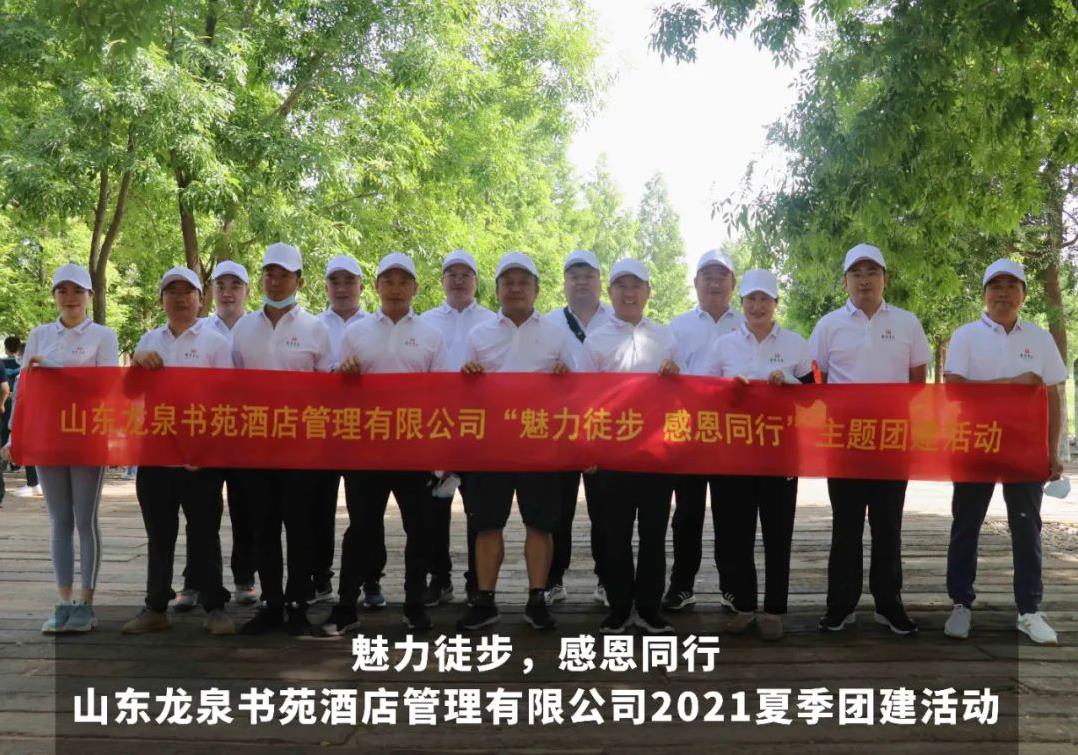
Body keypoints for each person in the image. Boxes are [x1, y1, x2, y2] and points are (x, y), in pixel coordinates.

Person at [315, 252, 449, 636]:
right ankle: (346, 606)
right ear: (375, 287)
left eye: (403, 281)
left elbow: (442, 395)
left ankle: (414, 604)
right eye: (387, 281)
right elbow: (338, 393)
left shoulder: (431, 335)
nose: (395, 288)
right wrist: (344, 375)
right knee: (361, 528)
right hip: (366, 449)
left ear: (415, 288)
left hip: (414, 449)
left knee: (419, 529)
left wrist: (438, 453)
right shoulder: (356, 334)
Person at [942, 258, 1067, 645]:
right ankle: (961, 603)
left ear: (1024, 295)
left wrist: (1052, 450)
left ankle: (1029, 610)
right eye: (995, 285)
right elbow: (954, 389)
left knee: (1027, 528)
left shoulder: (1040, 339)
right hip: (975, 442)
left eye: (1012, 285)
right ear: (984, 294)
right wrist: (1013, 383)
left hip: (1024, 449)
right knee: (966, 525)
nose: (1003, 292)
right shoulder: (966, 336)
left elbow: (1052, 396)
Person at [809, 243, 930, 635]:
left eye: (872, 272)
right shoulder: (828, 326)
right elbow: (815, 378)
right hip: (845, 441)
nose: (864, 280)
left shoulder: (907, 323)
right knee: (845, 525)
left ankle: (888, 604)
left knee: (888, 524)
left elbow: (917, 380)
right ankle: (840, 605)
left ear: (885, 279)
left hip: (892, 440)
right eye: (856, 273)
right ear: (845, 281)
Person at [455, 252, 575, 632]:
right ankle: (485, 601)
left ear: (537, 289)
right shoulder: (479, 335)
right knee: (487, 524)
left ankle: (537, 598)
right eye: (508, 282)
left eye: (524, 282)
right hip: (491, 447)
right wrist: (469, 375)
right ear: (497, 290)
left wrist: (564, 376)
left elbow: (576, 391)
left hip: (540, 445)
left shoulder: (557, 334)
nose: (516, 288)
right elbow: (461, 392)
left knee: (540, 525)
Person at [695, 269, 814, 641]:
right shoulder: (724, 346)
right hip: (734, 455)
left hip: (780, 454)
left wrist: (789, 383)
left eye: (765, 299)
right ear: (742, 302)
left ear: (776, 303)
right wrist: (729, 391)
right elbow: (704, 394)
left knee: (778, 533)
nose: (758, 306)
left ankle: (774, 611)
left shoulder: (796, 344)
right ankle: (744, 607)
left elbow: (813, 398)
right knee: (736, 534)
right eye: (751, 299)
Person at [1, 263, 119, 634]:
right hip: (48, 437)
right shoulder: (39, 335)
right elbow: (25, 390)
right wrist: (14, 436)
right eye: (62, 290)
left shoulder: (103, 336)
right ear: (54, 295)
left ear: (90, 296)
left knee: (85, 520)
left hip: (87, 437)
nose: (70, 298)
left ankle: (86, 602)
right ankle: (64, 602)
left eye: (77, 290)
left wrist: (57, 369)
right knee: (59, 520)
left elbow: (107, 387)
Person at [120, 267, 236, 635]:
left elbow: (227, 400)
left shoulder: (217, 342)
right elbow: (128, 393)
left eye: (188, 291)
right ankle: (156, 607)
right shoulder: (149, 340)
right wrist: (137, 364)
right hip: (155, 454)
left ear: (201, 299)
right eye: (172, 291)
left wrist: (207, 448)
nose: (180, 298)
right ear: (161, 301)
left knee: (204, 532)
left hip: (201, 456)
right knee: (159, 534)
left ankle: (215, 608)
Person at [231, 242, 333, 636]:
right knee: (263, 527)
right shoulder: (244, 328)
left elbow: (328, 390)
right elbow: (231, 386)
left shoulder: (316, 329)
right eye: (269, 274)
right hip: (256, 447)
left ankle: (297, 604)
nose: (275, 282)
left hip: (302, 448)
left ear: (300, 282)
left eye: (284, 275)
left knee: (301, 527)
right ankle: (271, 603)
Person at [580, 259, 681, 634]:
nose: (629, 292)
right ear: (610, 293)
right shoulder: (596, 340)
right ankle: (620, 607)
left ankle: (650, 608)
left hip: (656, 453)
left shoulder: (666, 337)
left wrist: (674, 376)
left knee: (654, 534)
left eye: (636, 285)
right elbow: (584, 400)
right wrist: (588, 449)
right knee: (615, 534)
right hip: (612, 456)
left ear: (648, 292)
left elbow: (682, 396)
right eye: (621, 285)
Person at [175, 260, 259, 609]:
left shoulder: (260, 328)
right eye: (220, 285)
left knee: (246, 509)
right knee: (201, 513)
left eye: (235, 285)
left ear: (248, 292)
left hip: (248, 435)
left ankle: (245, 578)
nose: (227, 292)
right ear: (210, 292)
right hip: (204, 435)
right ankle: (195, 581)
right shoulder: (197, 330)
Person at [664, 249, 744, 612]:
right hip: (689, 433)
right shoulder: (677, 327)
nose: (714, 283)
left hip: (731, 435)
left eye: (721, 276)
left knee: (731, 515)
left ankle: (732, 587)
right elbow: (666, 377)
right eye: (707, 276)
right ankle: (682, 586)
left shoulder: (746, 324)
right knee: (687, 515)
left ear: (732, 284)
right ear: (695, 282)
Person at [418, 249, 497, 606]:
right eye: (452, 274)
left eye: (466, 275)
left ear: (477, 282)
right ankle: (439, 577)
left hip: (480, 429)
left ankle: (476, 580)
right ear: (442, 281)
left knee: (478, 509)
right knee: (434, 510)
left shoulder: (493, 322)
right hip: (436, 428)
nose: (459, 281)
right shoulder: (425, 322)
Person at [543, 249, 613, 607]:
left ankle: (607, 579)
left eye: (588, 276)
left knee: (606, 510)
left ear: (600, 282)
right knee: (558, 509)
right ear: (564, 283)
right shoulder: (548, 323)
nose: (581, 282)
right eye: (574, 276)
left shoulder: (618, 320)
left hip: (608, 429)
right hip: (562, 429)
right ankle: (553, 578)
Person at [310, 254, 366, 605]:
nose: (342, 288)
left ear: (362, 286)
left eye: (349, 281)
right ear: (326, 287)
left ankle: (370, 580)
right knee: (319, 509)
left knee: (365, 513)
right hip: (322, 431)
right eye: (335, 281)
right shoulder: (312, 326)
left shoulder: (376, 325)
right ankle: (320, 578)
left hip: (366, 433)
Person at [3, 336, 41, 497]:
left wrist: (12, 424)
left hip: (27, 419)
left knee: (29, 449)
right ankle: (35, 482)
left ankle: (34, 483)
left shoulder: (25, 376)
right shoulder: (35, 374)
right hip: (35, 419)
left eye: (20, 356)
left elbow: (20, 402)